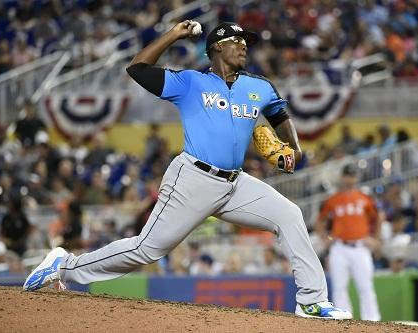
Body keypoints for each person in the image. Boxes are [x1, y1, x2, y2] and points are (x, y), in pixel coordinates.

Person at [23, 20, 351, 320]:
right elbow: (137, 68)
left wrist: (292, 147)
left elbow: (279, 115)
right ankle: (64, 266)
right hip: (193, 178)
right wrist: (174, 34)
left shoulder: (259, 87)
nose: (244, 46)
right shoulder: (190, 83)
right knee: (147, 248)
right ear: (217, 48)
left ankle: (310, 299)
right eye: (237, 41)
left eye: (246, 43)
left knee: (289, 215)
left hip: (236, 185)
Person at [315, 164, 381, 321]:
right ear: (342, 177)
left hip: (360, 247)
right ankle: (343, 322)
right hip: (339, 247)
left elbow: (378, 219)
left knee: (365, 287)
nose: (349, 179)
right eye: (347, 175)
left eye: (352, 176)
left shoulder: (365, 199)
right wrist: (325, 238)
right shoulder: (333, 200)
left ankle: (373, 322)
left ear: (356, 178)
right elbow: (320, 222)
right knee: (339, 288)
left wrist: (376, 239)